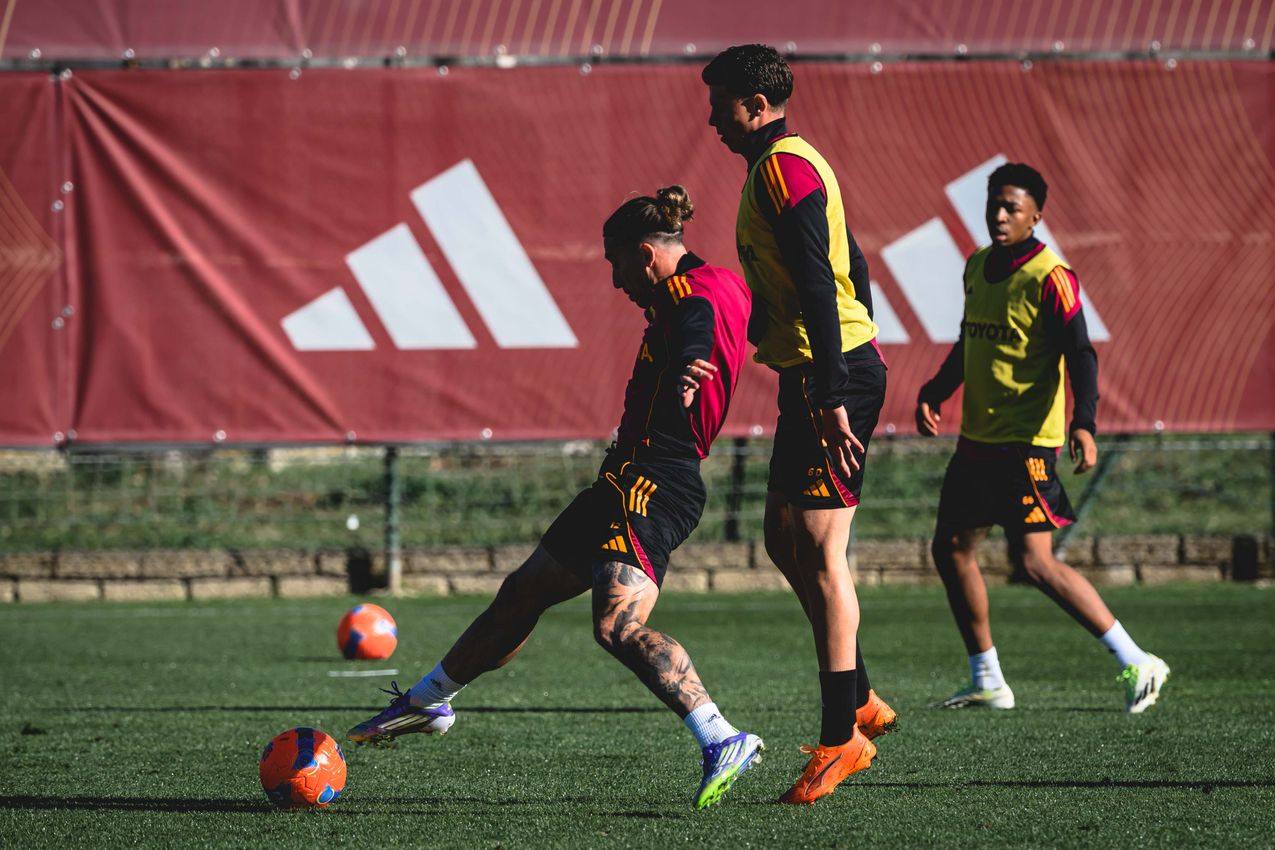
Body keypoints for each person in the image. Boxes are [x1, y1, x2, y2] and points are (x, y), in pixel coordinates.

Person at [347, 186, 763, 809]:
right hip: (623, 478)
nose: (618, 283)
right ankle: (430, 700)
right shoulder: (724, 282)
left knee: (616, 626)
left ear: (646, 256)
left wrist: (694, 361)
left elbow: (698, 324)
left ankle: (720, 736)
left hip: (655, 481)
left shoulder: (686, 295)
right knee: (524, 591)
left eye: (618, 266)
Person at [699, 44, 896, 806]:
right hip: (818, 370)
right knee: (784, 540)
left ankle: (839, 738)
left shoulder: (782, 166)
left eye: (718, 102)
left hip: (828, 374)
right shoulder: (776, 167)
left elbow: (822, 276)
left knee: (819, 552)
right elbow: (856, 266)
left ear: (753, 102)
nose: (712, 117)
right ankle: (862, 696)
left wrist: (835, 385)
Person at [916, 161, 1169, 714]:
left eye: (1012, 207)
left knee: (1033, 562)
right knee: (952, 548)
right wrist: (935, 390)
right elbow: (968, 343)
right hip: (978, 440)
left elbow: (1081, 353)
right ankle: (987, 678)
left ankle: (1136, 659)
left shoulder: (1052, 277)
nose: (1000, 215)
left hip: (1027, 443)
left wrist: (1085, 421)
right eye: (994, 205)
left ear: (1037, 216)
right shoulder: (978, 266)